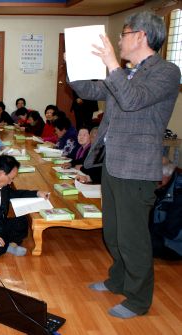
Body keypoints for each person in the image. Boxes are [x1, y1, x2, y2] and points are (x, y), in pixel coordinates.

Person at [69, 11, 181, 319]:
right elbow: (89, 91)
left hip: (137, 169)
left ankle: (138, 299)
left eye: (124, 33)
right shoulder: (127, 72)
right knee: (114, 233)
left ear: (141, 36)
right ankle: (117, 279)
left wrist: (112, 65)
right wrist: (74, 62)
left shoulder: (167, 72)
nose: (118, 39)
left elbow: (132, 100)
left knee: (133, 237)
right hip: (113, 164)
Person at [149, 159, 182, 260]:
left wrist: (146, 231)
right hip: (162, 234)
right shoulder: (164, 185)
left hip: (175, 245)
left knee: (135, 243)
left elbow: (172, 231)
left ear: (166, 175)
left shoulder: (179, 193)